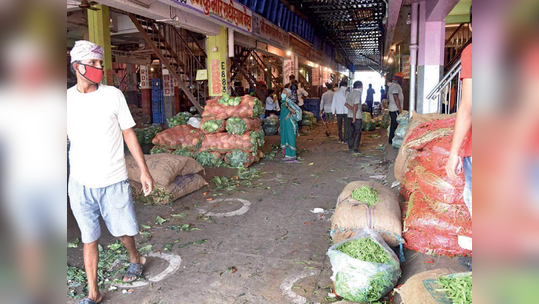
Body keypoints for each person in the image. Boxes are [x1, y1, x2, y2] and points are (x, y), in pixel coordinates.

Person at [67, 41, 155, 304]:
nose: (99, 68)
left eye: (99, 63)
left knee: (122, 232)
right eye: (93, 63)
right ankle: (93, 294)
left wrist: (144, 170)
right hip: (80, 183)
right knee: (88, 238)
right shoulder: (64, 100)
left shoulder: (113, 95)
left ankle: (134, 256)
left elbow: (128, 132)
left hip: (112, 179)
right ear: (77, 66)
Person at [280, 86, 302, 163]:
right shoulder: (283, 101)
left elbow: (294, 111)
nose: (282, 93)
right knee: (286, 137)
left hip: (289, 122)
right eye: (282, 92)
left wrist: (287, 106)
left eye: (284, 92)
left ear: (288, 94)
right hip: (285, 122)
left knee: (290, 138)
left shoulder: (288, 101)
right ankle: (287, 155)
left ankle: (293, 156)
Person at [345, 81, 363, 152]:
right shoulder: (358, 93)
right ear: (359, 86)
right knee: (357, 132)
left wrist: (351, 109)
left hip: (349, 116)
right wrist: (354, 117)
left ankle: (350, 147)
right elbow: (355, 105)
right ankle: (355, 148)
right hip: (357, 117)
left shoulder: (350, 93)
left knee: (351, 133)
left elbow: (346, 104)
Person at [387, 75, 404, 145]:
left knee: (393, 125)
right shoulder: (395, 86)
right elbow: (395, 97)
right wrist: (399, 109)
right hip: (395, 109)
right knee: (395, 125)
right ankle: (393, 140)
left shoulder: (393, 86)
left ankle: (391, 140)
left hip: (393, 108)